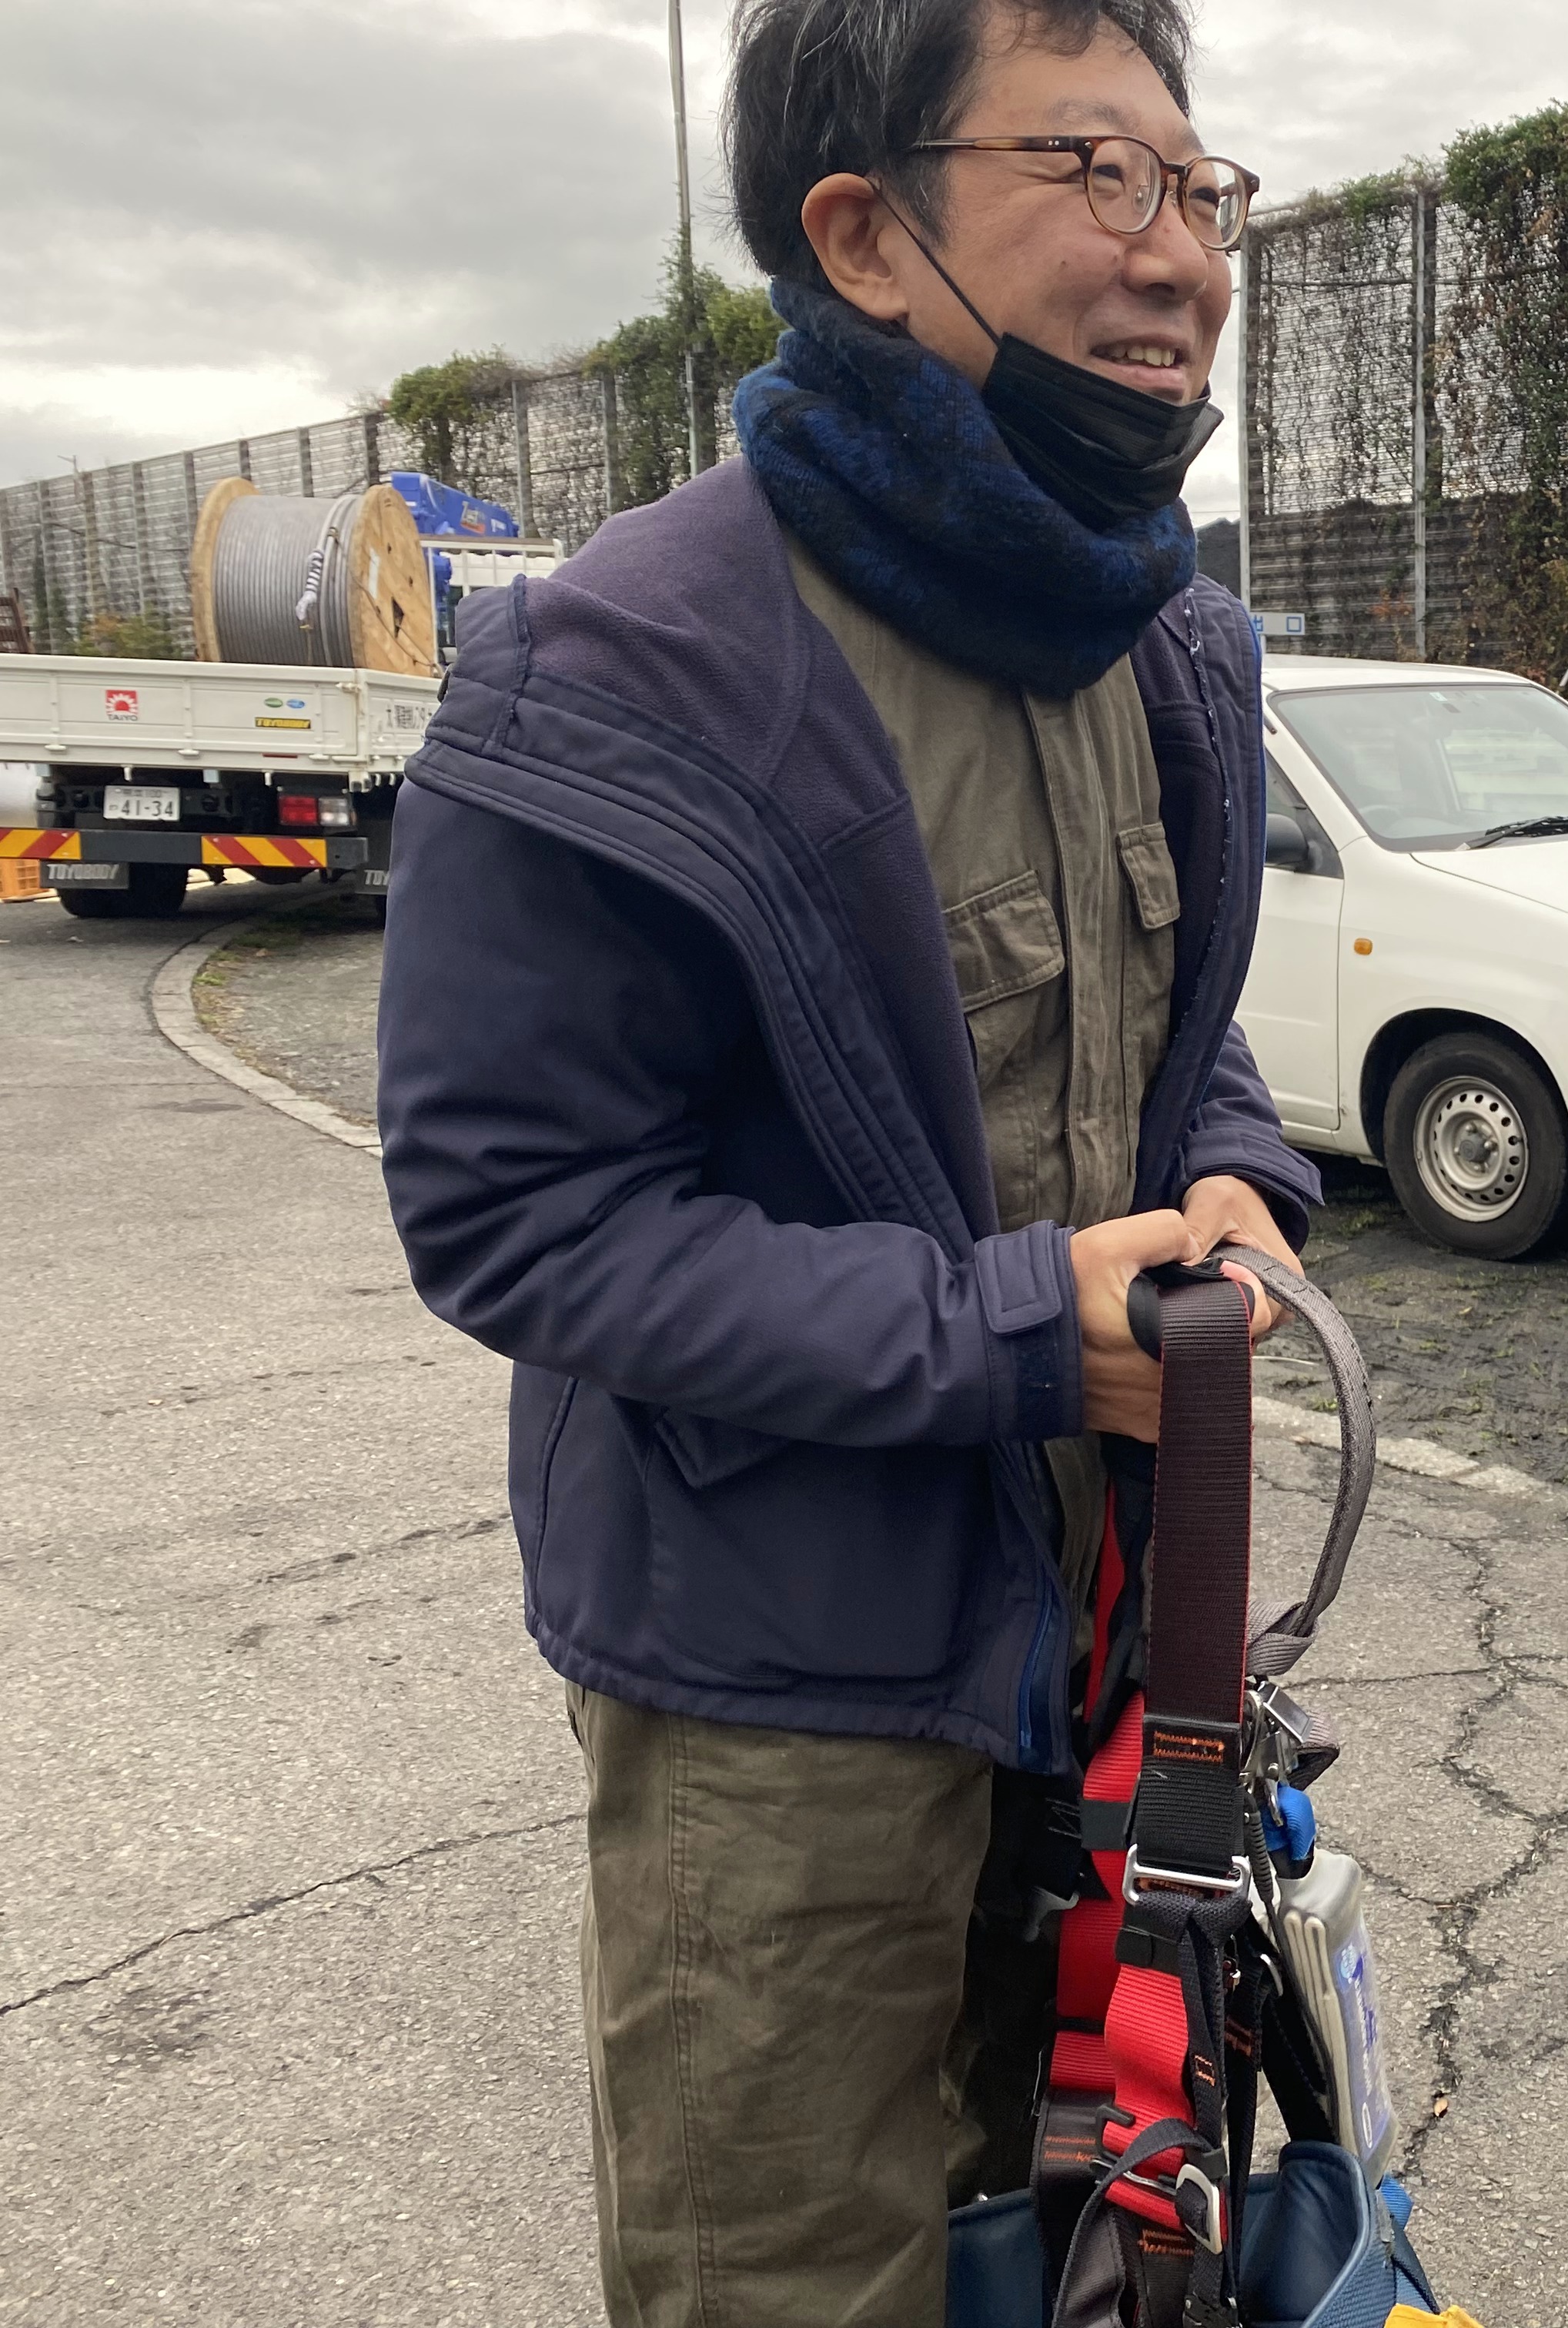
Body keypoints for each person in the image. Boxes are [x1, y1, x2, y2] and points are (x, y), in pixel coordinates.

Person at [373, 4, 1315, 2321]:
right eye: (1099, 172)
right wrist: (1017, 1337)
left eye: (1201, 186)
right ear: (866, 235)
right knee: (794, 2279)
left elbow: (1173, 1035)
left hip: (1103, 1645)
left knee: (1087, 2233)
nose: (1181, 255)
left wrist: (1238, 1179)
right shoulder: (616, 671)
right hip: (773, 1704)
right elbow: (511, 1213)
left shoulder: (1159, 637)